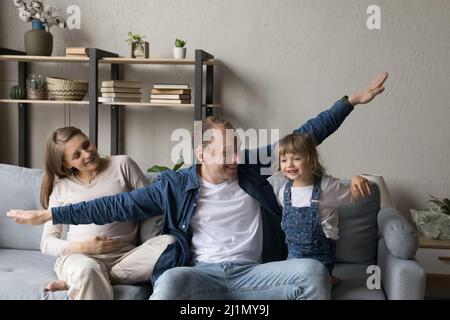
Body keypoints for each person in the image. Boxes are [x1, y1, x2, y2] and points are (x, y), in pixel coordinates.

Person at [8, 72, 388, 300]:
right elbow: (114, 207)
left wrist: (350, 102)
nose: (233, 158)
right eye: (224, 152)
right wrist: (53, 212)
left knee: (312, 275)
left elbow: (303, 138)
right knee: (170, 282)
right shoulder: (173, 186)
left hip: (255, 274)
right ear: (200, 153)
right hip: (201, 274)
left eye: (236, 149)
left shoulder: (250, 169)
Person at [37, 127, 174, 300]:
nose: (87, 154)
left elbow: (151, 204)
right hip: (79, 258)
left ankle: (83, 281)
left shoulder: (122, 165)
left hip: (125, 258)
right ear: (66, 164)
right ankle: (86, 277)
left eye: (86, 145)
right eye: (77, 155)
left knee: (172, 244)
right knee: (88, 268)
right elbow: (47, 243)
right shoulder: (60, 189)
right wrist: (81, 247)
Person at [270, 133, 372, 287]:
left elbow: (355, 194)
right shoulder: (284, 191)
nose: (289, 164)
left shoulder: (328, 186)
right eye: (284, 160)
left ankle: (328, 279)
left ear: (311, 158)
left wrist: (356, 178)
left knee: (313, 286)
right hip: (293, 257)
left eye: (296, 158)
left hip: (320, 258)